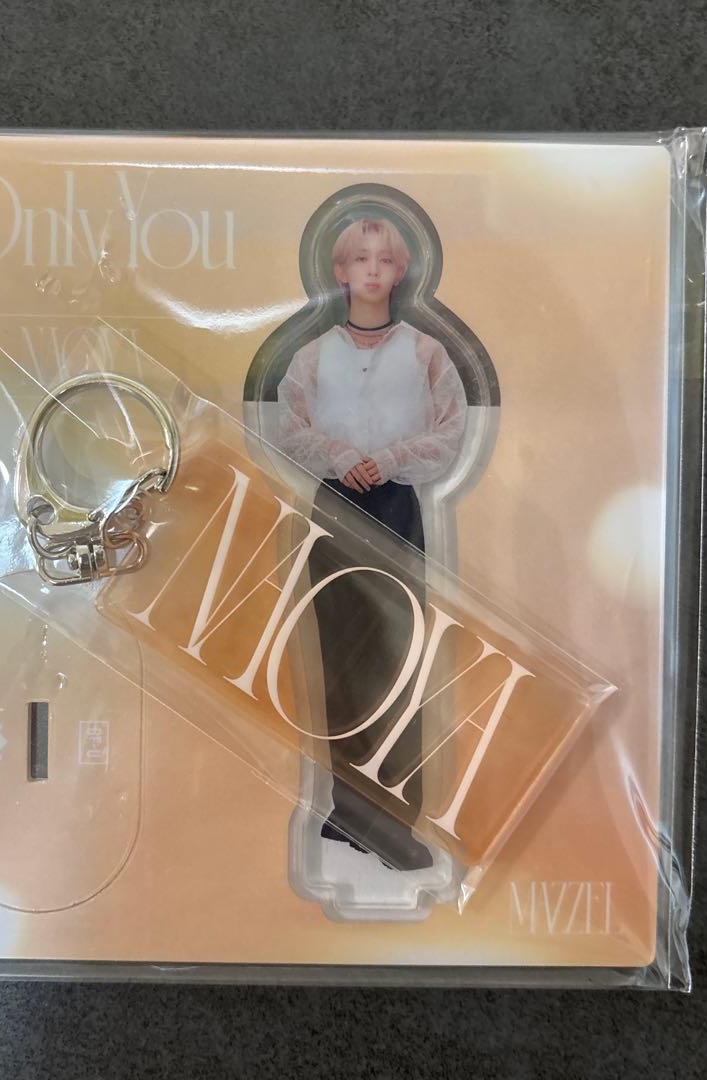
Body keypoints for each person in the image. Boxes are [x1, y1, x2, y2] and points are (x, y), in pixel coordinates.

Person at [276, 217, 467, 870]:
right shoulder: (312, 356)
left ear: (402, 271)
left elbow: (448, 432)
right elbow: (290, 427)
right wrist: (338, 456)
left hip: (395, 509)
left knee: (399, 656)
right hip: (333, 508)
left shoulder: (425, 352)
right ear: (339, 271)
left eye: (385, 260)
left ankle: (395, 821)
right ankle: (346, 815)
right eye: (360, 259)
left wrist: (388, 460)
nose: (373, 270)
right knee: (339, 659)